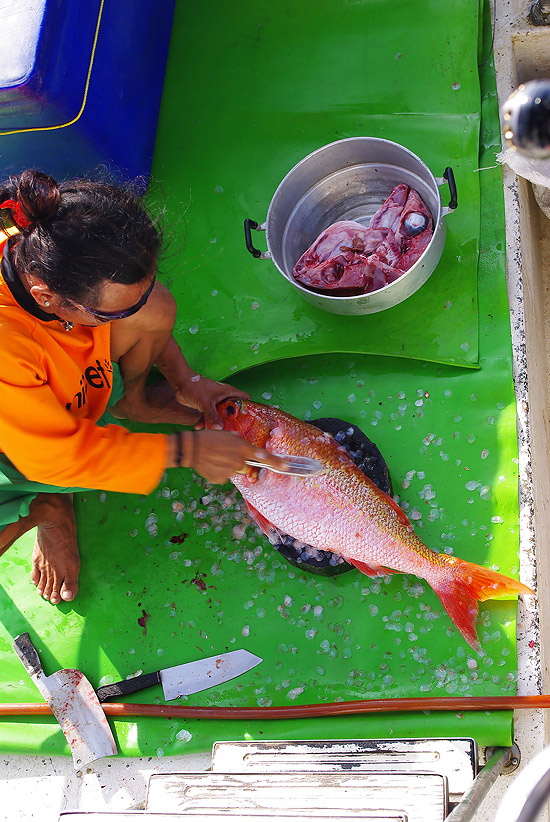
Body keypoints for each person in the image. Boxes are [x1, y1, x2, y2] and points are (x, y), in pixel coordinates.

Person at [0, 169, 286, 606]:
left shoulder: (51, 240)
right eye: (113, 313)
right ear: (45, 297)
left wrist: (186, 379)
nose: (134, 312)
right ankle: (47, 511)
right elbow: (57, 458)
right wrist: (186, 452)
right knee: (43, 484)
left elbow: (139, 306)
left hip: (64, 394)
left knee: (153, 308)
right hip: (16, 452)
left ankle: (134, 402)